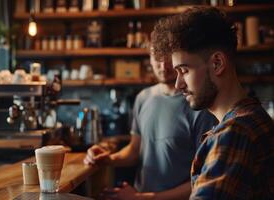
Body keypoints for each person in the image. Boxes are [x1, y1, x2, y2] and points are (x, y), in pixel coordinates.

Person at [151, 7, 274, 199]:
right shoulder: (253, 118)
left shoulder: (235, 132)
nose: (178, 84)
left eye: (184, 70)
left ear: (217, 63)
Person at [83, 42, 217, 199]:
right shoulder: (143, 98)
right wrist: (108, 159)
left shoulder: (198, 106)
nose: (163, 65)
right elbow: (134, 150)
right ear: (150, 59)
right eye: (157, 58)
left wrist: (142, 198)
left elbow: (204, 179)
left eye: (168, 58)